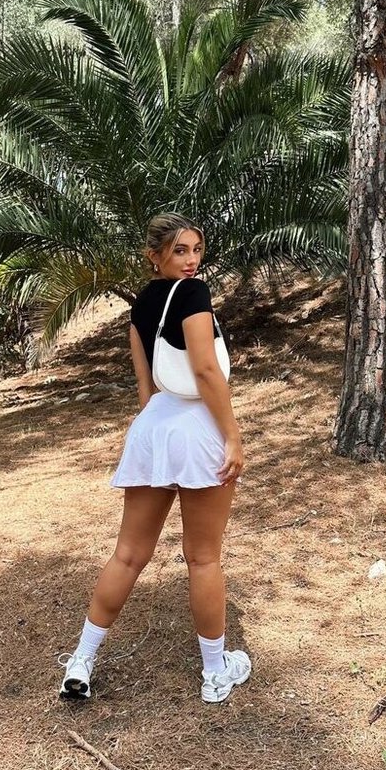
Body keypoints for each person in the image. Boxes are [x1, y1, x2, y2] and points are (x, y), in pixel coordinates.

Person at [59, 212, 251, 703]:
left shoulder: (141, 306)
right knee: (203, 557)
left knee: (127, 554)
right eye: (180, 250)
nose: (191, 260)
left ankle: (81, 660)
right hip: (196, 427)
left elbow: (145, 389)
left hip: (153, 428)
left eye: (196, 250)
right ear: (155, 255)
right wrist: (232, 436)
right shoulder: (194, 294)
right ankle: (215, 673)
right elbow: (206, 372)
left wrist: (154, 435)